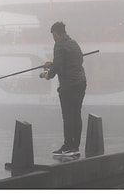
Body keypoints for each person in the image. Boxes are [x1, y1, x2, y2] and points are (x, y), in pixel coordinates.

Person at [40, 21, 87, 158]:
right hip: (81, 82)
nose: (53, 38)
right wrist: (53, 64)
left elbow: (58, 67)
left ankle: (67, 147)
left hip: (69, 86)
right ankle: (75, 147)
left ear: (55, 33)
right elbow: (77, 60)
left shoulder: (59, 44)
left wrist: (48, 74)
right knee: (76, 115)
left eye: (53, 35)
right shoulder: (73, 43)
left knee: (67, 116)